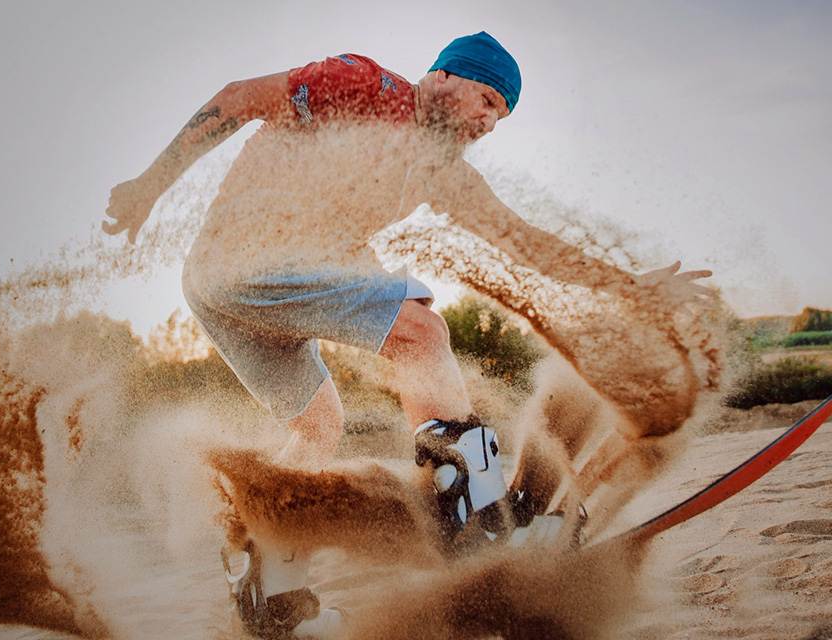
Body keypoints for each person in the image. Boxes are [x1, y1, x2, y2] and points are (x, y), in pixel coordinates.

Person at [104, 32, 711, 639]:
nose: (491, 123)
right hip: (248, 261)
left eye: (502, 114)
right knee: (421, 331)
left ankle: (263, 576)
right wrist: (149, 187)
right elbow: (241, 98)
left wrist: (632, 287)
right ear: (444, 77)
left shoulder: (440, 172)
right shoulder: (367, 87)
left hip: (219, 290)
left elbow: (524, 243)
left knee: (317, 426)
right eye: (488, 100)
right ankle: (472, 512)